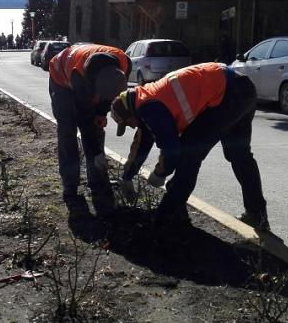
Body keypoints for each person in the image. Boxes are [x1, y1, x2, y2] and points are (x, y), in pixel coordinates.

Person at [110, 62, 271, 232]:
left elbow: (171, 150)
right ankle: (257, 213)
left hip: (228, 93)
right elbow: (142, 143)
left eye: (128, 124)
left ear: (130, 113)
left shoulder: (148, 106)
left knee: (189, 154)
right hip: (242, 87)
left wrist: (160, 174)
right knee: (239, 155)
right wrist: (127, 176)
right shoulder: (145, 99)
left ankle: (167, 217)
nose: (132, 127)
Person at [49, 43, 130, 216]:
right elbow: (85, 122)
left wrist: (102, 112)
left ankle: (98, 182)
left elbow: (115, 96)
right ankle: (70, 185)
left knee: (97, 127)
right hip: (61, 80)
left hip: (89, 78)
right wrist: (97, 154)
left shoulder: (124, 62)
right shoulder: (79, 76)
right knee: (68, 132)